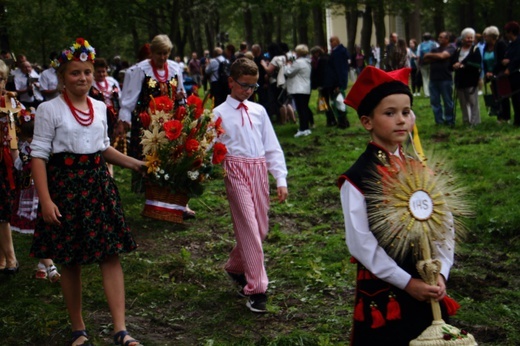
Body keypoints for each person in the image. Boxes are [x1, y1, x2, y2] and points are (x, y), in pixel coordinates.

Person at [29, 38, 143, 346]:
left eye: (87, 72)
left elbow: (102, 147)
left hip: (97, 187)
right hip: (64, 188)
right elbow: (38, 156)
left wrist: (135, 164)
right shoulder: (48, 109)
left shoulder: (100, 107)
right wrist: (46, 200)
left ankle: (121, 330)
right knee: (70, 259)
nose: (82, 78)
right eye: (75, 73)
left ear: (94, 74)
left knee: (110, 255)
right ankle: (79, 329)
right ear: (62, 76)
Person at [339, 66, 454, 345]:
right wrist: (407, 283)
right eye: (389, 113)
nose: (401, 120)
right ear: (368, 121)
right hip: (386, 287)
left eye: (406, 112)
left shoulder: (419, 169)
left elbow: (445, 223)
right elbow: (360, 242)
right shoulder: (356, 179)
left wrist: (441, 271)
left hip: (428, 282)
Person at [212, 58, 288, 313]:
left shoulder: (258, 111)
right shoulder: (219, 113)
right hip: (234, 170)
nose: (248, 91)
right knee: (248, 224)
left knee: (261, 229)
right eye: (244, 85)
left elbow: (271, 145)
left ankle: (235, 267)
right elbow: (210, 146)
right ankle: (257, 290)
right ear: (231, 81)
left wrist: (280, 177)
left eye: (253, 87)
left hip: (258, 170)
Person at [10, 108, 61, 282]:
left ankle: (46, 267)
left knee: (42, 228)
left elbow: (20, 164)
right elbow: (18, 165)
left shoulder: (37, 148)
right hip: (35, 192)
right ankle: (47, 266)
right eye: (28, 137)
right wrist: (14, 148)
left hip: (41, 192)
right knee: (40, 229)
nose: (31, 140)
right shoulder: (32, 148)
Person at [0, 59, 19, 276]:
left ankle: (10, 258)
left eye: (0, 79)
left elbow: (14, 135)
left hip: (4, 162)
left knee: (3, 211)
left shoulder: (10, 102)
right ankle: (5, 259)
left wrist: (18, 160)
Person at [90, 58, 122, 175]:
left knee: (110, 142)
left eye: (103, 71)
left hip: (112, 117)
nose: (102, 74)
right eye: (99, 72)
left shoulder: (112, 82)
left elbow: (119, 98)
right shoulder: (91, 84)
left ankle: (110, 168)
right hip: (97, 116)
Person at [423, 31, 456, 126]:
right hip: (433, 79)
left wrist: (431, 56)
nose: (439, 39)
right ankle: (439, 121)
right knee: (435, 101)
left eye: (441, 37)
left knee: (447, 101)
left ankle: (450, 120)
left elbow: (443, 56)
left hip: (445, 78)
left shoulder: (451, 48)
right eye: (439, 37)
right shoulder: (435, 49)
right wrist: (437, 57)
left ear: (447, 39)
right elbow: (425, 59)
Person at [451, 28, 482, 126]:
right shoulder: (457, 50)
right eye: (468, 38)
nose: (470, 40)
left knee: (473, 102)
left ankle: (475, 122)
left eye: (471, 38)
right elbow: (451, 62)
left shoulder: (475, 50)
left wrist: (463, 65)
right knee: (463, 102)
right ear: (463, 39)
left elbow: (477, 63)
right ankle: (466, 121)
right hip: (460, 80)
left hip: (471, 79)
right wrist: (454, 65)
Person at [260, 43, 294, 124]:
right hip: (285, 81)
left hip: (277, 82)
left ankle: (283, 120)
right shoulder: (284, 57)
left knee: (279, 102)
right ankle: (293, 118)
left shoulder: (275, 59)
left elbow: (269, 70)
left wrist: (264, 65)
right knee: (286, 101)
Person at [285, 44, 313, 137]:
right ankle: (306, 128)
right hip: (306, 88)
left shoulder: (298, 63)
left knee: (301, 110)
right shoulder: (307, 61)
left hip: (298, 89)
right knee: (304, 109)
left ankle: (302, 128)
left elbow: (289, 73)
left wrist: (287, 65)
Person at [482, 25, 509, 121]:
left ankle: (505, 117)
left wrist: (493, 72)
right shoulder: (486, 46)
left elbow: (501, 60)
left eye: (486, 36)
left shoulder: (501, 44)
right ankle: (499, 115)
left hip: (500, 73)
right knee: (495, 96)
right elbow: (484, 60)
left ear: (492, 36)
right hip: (490, 74)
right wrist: (486, 73)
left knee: (503, 95)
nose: (484, 38)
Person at [323, 36, 350, 128]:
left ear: (336, 42)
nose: (330, 43)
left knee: (338, 102)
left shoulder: (338, 53)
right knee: (338, 101)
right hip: (337, 81)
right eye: (330, 41)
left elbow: (339, 69)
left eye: (332, 41)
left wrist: (339, 84)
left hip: (336, 82)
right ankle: (343, 121)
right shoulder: (338, 52)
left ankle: (342, 122)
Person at [502, 21, 520, 126]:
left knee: (518, 97)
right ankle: (517, 120)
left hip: (517, 73)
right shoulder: (510, 44)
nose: (506, 34)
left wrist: (510, 65)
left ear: (511, 32)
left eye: (507, 32)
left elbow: (518, 58)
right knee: (514, 98)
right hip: (512, 75)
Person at [417, 32, 438, 98]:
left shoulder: (420, 45)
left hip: (423, 63)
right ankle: (432, 92)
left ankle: (426, 93)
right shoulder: (435, 44)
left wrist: (418, 64)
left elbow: (418, 56)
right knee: (431, 78)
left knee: (424, 78)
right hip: (433, 63)